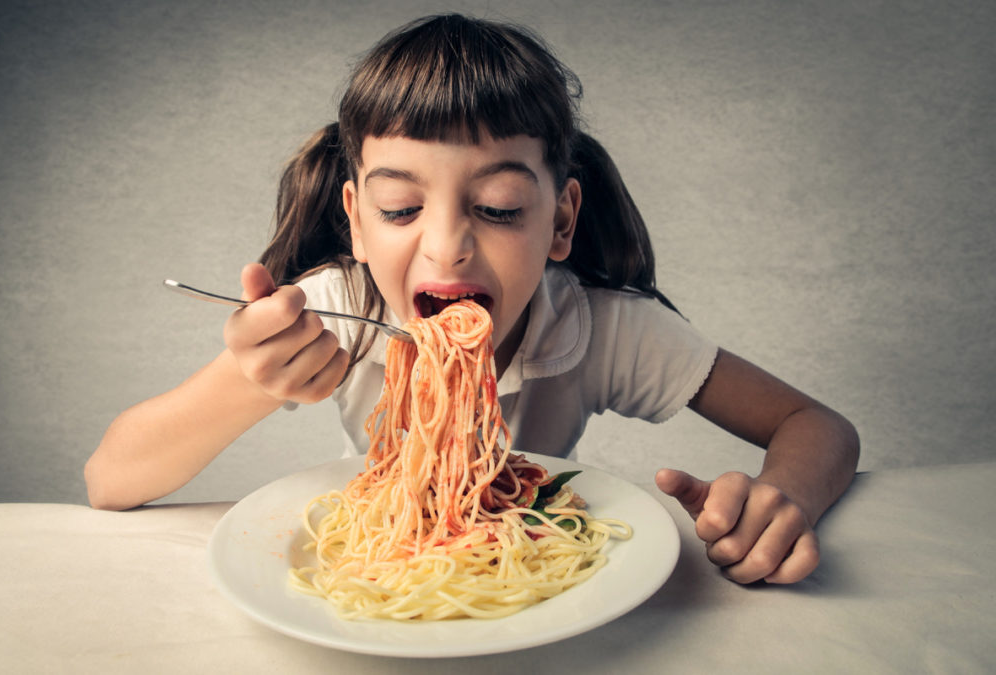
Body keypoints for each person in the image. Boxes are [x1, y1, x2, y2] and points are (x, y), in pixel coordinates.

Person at [85, 14, 859, 585]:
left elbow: (817, 425)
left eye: (496, 207)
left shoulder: (601, 326)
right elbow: (109, 479)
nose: (448, 245)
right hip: (387, 572)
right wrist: (253, 380)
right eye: (399, 210)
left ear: (561, 222)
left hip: (542, 578)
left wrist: (781, 498)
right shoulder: (334, 314)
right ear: (354, 220)